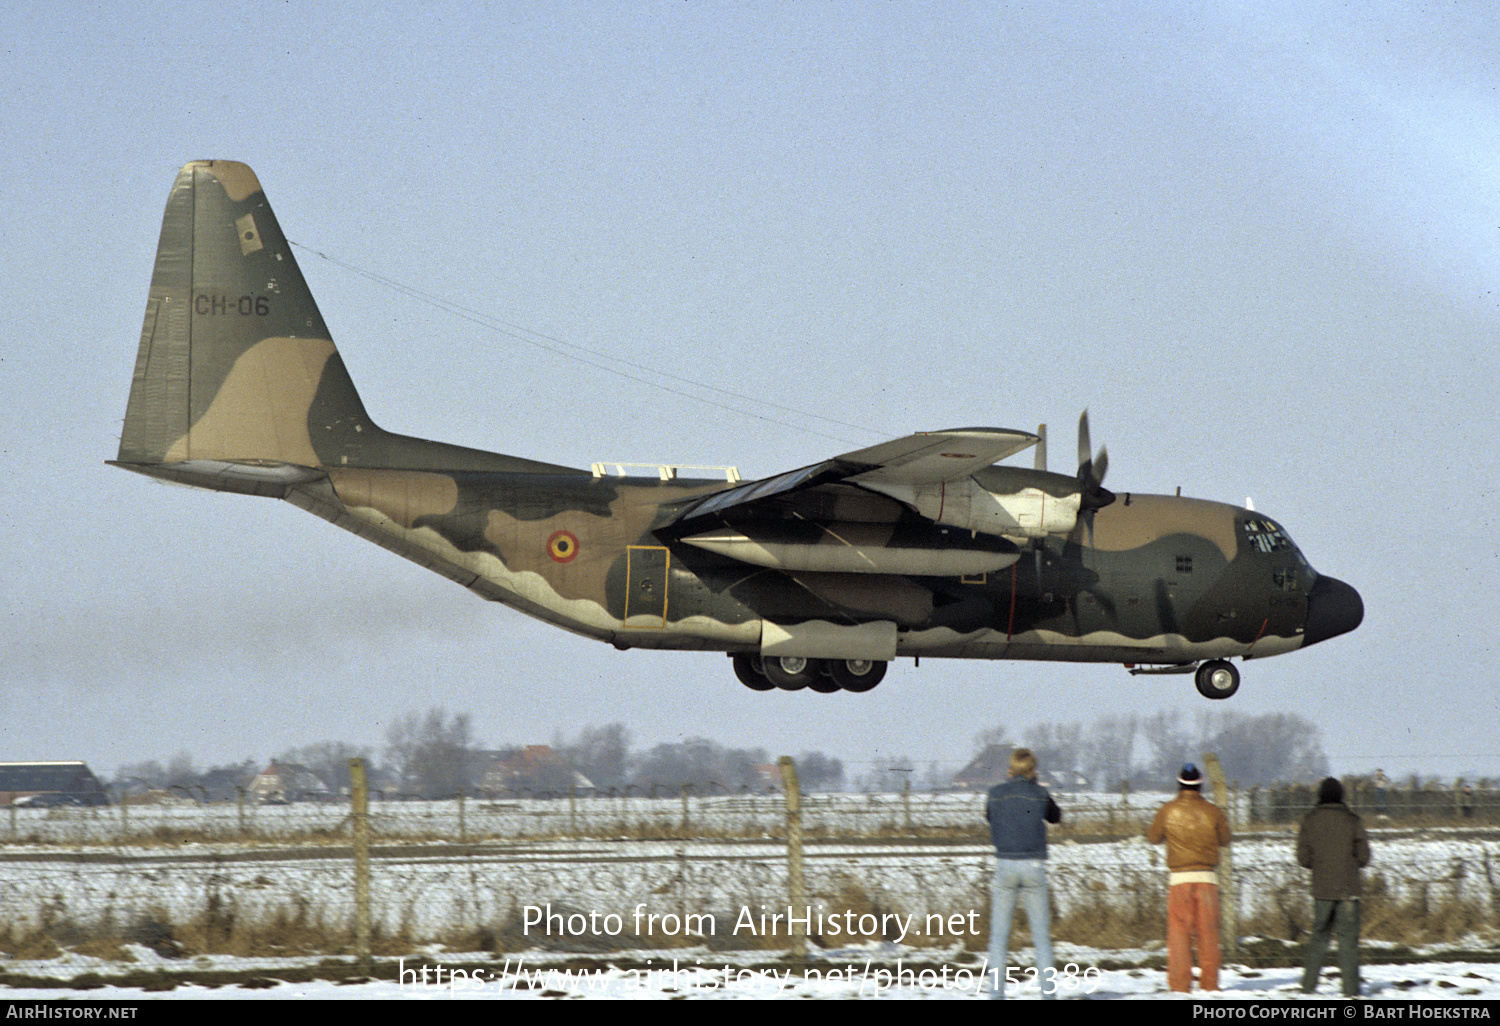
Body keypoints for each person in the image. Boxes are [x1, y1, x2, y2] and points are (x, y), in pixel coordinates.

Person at [1148, 762, 1232, 992]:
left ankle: (1180, 985)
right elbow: (1225, 839)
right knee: (1208, 934)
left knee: (1179, 935)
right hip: (1207, 879)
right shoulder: (1213, 811)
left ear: (1178, 783)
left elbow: (1153, 837)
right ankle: (1210, 985)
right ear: (1201, 784)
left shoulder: (1167, 810)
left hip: (1179, 879)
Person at [985, 747, 1062, 999]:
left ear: (1010, 769)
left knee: (999, 937)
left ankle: (996, 994)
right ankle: (1048, 994)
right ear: (1032, 770)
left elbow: (989, 817)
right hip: (1034, 866)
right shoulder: (1040, 793)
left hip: (1005, 864)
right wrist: (1034, 785)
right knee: (1041, 938)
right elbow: (1055, 816)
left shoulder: (995, 794)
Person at [1298, 776, 1371, 998]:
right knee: (1348, 941)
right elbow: (1364, 856)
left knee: (1318, 936)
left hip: (1321, 889)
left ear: (1320, 795)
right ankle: (1350, 991)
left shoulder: (1310, 820)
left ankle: (1308, 987)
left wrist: (1319, 866)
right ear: (1341, 796)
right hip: (1349, 889)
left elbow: (1303, 858)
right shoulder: (1352, 820)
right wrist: (1350, 865)